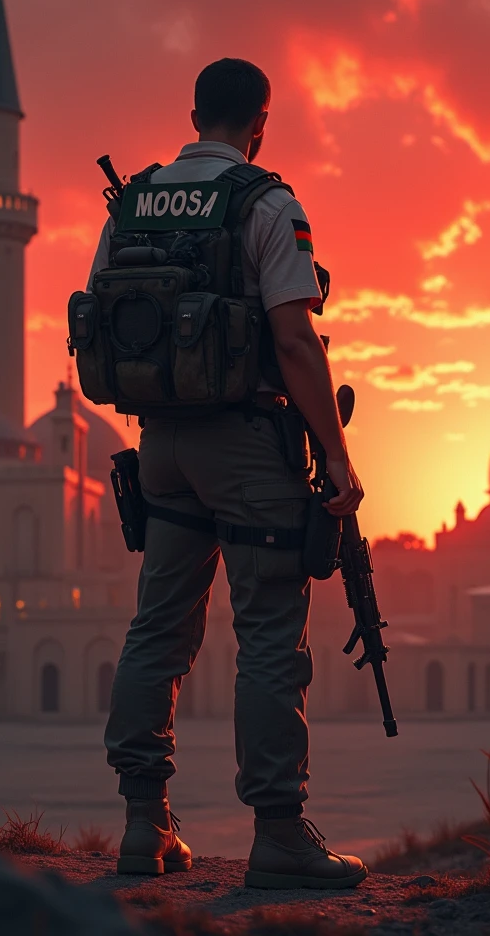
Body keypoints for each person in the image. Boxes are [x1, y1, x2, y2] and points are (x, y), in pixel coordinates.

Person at [92, 58, 366, 890]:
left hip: (162, 448)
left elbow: (104, 322)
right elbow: (294, 340)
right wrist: (338, 455)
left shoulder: (132, 202)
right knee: (270, 638)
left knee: (159, 631)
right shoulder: (267, 202)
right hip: (246, 447)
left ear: (193, 113)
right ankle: (279, 836)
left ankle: (145, 826)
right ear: (260, 123)